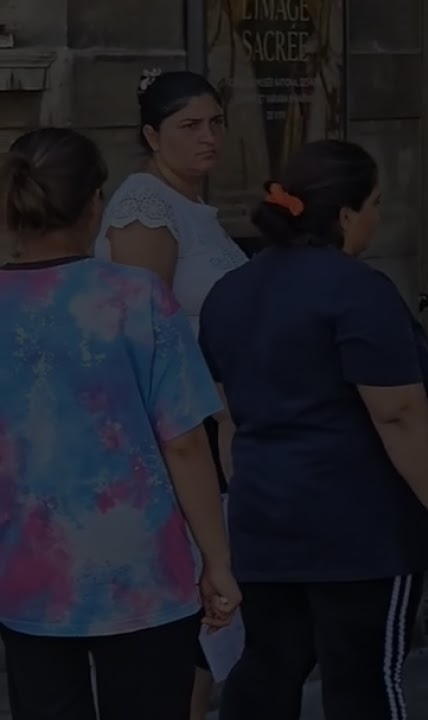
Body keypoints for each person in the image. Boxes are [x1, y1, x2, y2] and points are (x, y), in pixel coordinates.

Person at [0, 128, 239, 719]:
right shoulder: (136, 297)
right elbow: (184, 444)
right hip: (144, 569)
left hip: (26, 567)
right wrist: (217, 562)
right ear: (94, 203)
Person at [199, 140, 428, 720]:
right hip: (360, 528)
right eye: (375, 203)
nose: (378, 218)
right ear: (347, 213)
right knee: (364, 681)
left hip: (265, 517)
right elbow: (398, 413)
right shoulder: (358, 290)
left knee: (268, 667)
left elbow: (228, 417)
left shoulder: (229, 292)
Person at [92, 69, 247, 716]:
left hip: (217, 422)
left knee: (211, 626)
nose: (208, 136)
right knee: (192, 619)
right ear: (152, 135)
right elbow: (140, 338)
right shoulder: (144, 206)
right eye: (189, 125)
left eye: (215, 122)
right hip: (177, 432)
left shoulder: (189, 207)